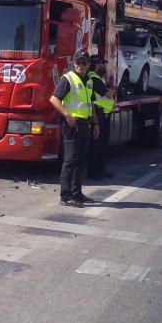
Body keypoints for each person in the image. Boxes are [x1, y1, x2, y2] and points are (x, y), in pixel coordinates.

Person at [49, 51, 100, 207]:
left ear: (88, 65)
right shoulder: (68, 79)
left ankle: (77, 193)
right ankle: (65, 196)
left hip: (85, 124)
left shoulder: (89, 81)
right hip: (72, 124)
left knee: (79, 160)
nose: (80, 66)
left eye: (84, 63)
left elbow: (91, 105)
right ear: (73, 63)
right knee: (70, 160)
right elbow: (54, 99)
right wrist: (67, 115)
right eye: (78, 62)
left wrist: (96, 123)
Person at [86, 55, 115, 179]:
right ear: (95, 65)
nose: (104, 66)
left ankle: (100, 169)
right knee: (96, 145)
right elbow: (108, 94)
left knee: (102, 145)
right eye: (102, 63)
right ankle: (93, 172)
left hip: (103, 114)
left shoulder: (99, 78)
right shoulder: (93, 78)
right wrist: (112, 91)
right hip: (97, 114)